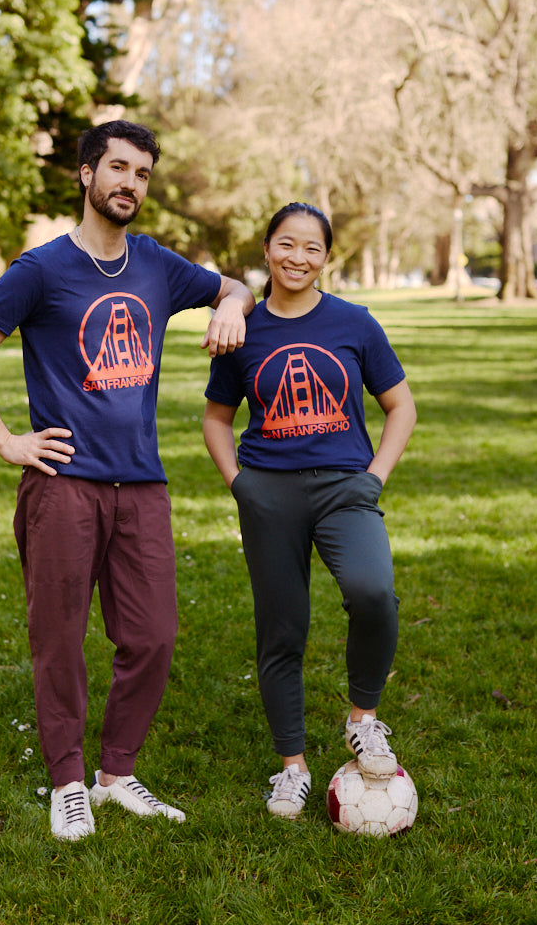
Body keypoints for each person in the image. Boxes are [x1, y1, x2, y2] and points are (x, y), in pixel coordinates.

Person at [0, 120, 255, 841]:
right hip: (63, 484)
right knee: (59, 638)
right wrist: (6, 441)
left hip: (141, 484)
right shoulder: (41, 269)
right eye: (118, 168)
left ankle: (117, 774)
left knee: (153, 637)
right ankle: (68, 782)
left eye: (142, 174)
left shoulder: (156, 265)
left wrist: (233, 303)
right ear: (86, 174)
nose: (130, 185)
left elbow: (233, 284)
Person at [203, 203, 416, 820]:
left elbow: (400, 406)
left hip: (346, 488)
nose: (298, 258)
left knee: (373, 591)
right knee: (283, 626)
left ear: (327, 258)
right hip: (268, 490)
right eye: (286, 245)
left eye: (313, 249)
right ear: (267, 249)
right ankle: (291, 767)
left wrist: (373, 477)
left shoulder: (354, 322)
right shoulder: (242, 329)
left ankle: (364, 718)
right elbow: (217, 419)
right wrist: (240, 484)